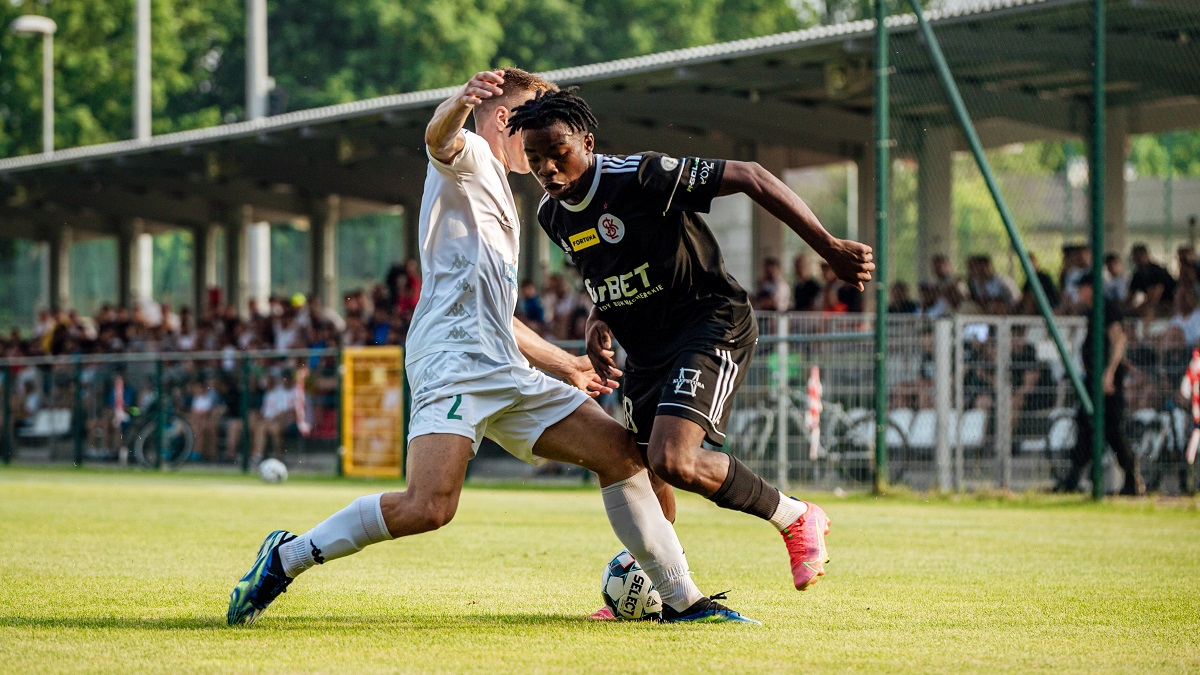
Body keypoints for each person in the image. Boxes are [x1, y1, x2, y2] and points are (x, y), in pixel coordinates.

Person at [228, 69, 754, 627]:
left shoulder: (506, 193)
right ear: (506, 117)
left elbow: (498, 313)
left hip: (501, 365)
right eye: (531, 118)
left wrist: (566, 363)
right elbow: (438, 139)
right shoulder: (474, 154)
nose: (542, 137)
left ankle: (685, 603)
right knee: (429, 506)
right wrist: (458, 102)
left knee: (622, 454)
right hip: (452, 363)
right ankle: (284, 559)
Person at [512, 88, 873, 593]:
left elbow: (751, 174)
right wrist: (598, 320)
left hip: (709, 322)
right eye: (534, 160)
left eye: (558, 154)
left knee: (673, 459)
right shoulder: (553, 217)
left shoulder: (639, 176)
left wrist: (828, 247)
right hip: (646, 349)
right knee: (640, 469)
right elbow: (607, 271)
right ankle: (666, 588)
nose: (547, 169)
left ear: (587, 142)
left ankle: (793, 515)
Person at [1054, 275, 1144, 496]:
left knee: (1112, 430)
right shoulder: (1093, 310)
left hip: (1105, 383)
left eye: (1081, 288)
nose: (1079, 293)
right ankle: (1073, 478)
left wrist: (1110, 372)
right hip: (1096, 380)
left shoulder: (1106, 308)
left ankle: (1133, 481)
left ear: (1090, 288)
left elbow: (1118, 339)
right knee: (1086, 424)